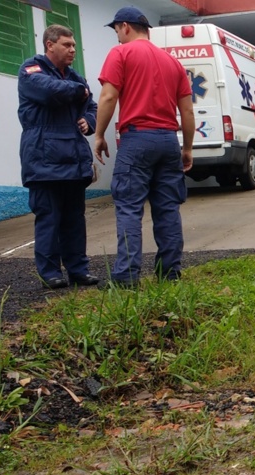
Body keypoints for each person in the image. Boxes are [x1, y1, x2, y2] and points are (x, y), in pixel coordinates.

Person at [93, 6, 194, 288]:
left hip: (137, 139)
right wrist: (186, 148)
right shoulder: (172, 62)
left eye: (116, 32)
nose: (117, 38)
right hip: (168, 141)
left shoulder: (121, 53)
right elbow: (187, 112)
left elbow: (108, 97)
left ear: (125, 26)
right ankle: (169, 274)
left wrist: (99, 135)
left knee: (128, 208)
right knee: (168, 209)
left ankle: (126, 278)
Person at [18, 24, 100, 289]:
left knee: (75, 220)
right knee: (49, 218)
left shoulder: (75, 75)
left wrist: (89, 121)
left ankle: (78, 270)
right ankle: (50, 273)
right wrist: (78, 91)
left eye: (74, 45)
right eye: (67, 45)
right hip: (44, 159)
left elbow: (92, 106)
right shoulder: (31, 69)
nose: (73, 50)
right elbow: (49, 91)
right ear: (49, 45)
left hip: (74, 159)